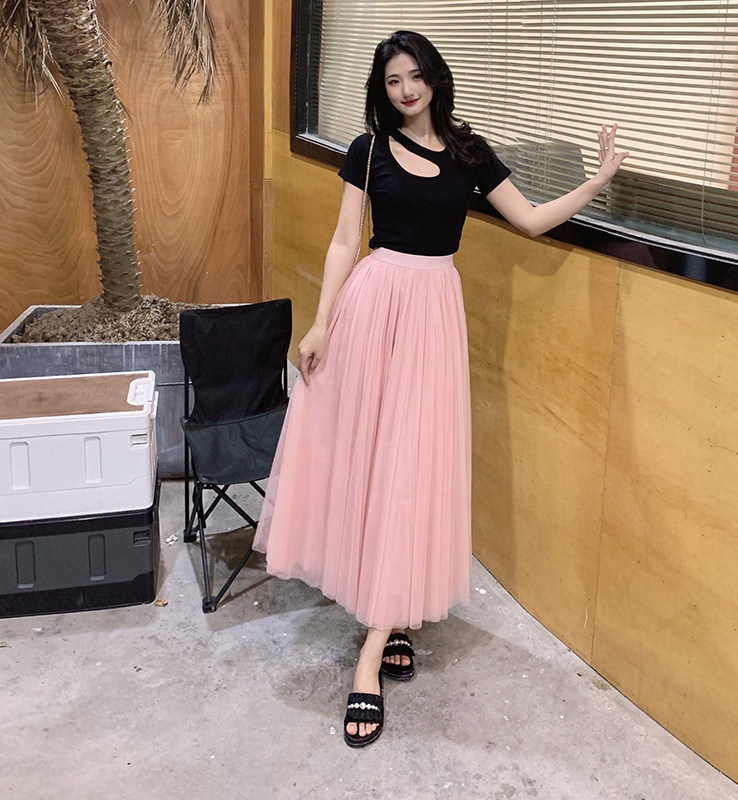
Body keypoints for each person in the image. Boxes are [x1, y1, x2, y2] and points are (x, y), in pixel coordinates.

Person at [253, 30, 628, 748]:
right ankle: (386, 621)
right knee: (369, 463)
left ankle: (376, 640)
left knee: (412, 472)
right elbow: (344, 240)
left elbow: (530, 220)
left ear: (434, 77)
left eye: (415, 76)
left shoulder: (469, 153)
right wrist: (322, 323)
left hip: (431, 320)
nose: (406, 90)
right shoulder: (366, 149)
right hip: (372, 310)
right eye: (393, 80)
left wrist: (597, 181)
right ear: (382, 88)